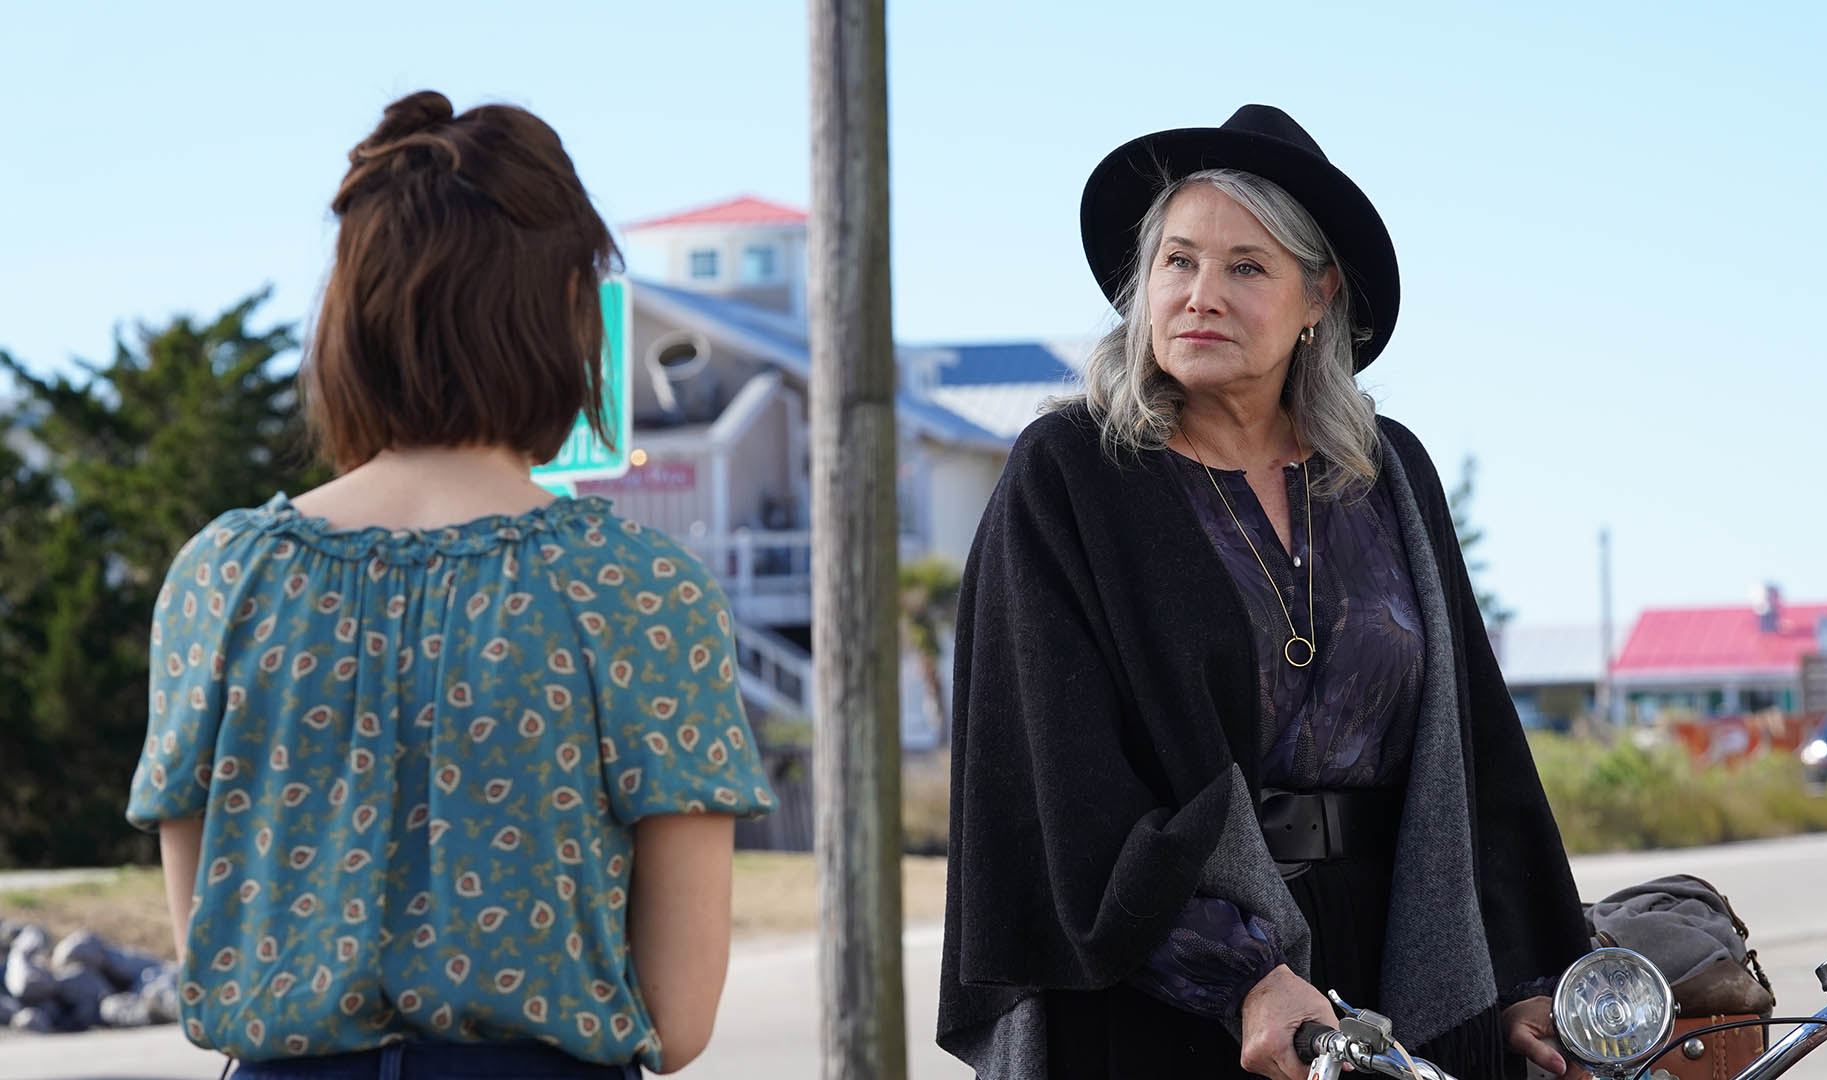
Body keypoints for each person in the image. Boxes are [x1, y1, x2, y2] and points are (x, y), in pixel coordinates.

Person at [126, 90, 775, 1079]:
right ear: (568, 307)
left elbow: (207, 950)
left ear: (349, 315)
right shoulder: (636, 589)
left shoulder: (224, 578)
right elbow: (678, 1020)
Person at [936, 105, 1591, 1080]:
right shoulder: (1070, 474)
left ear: (1319, 295)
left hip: (1395, 950)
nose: (1201, 296)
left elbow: (1476, 743)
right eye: (1178, 261)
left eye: (1246, 267)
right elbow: (1054, 777)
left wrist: (1526, 972)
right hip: (1159, 978)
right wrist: (1243, 975)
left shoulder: (1385, 474)